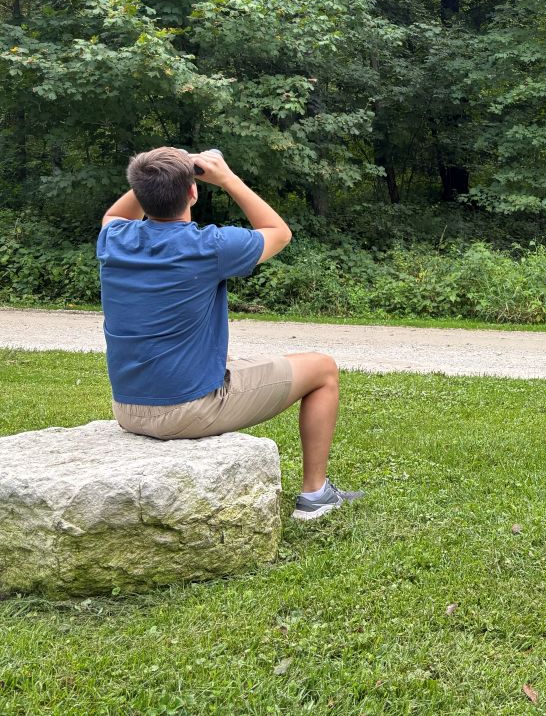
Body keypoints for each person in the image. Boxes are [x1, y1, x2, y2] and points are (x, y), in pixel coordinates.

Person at [97, 146, 362, 521]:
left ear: (139, 195)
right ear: (193, 192)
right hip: (187, 410)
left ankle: (317, 493)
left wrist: (153, 176)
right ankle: (316, 494)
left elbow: (114, 213)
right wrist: (226, 177)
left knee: (241, 362)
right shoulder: (209, 246)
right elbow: (278, 232)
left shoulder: (115, 239)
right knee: (322, 369)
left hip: (128, 409)